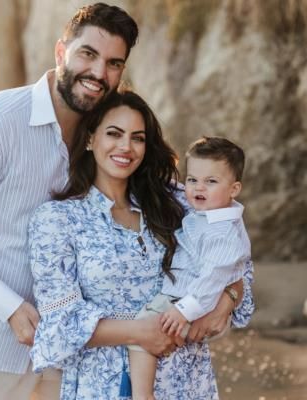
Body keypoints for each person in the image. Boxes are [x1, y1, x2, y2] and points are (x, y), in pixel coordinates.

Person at [0, 3, 140, 400]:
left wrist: (226, 289)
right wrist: (8, 306)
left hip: (69, 352)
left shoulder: (108, 134)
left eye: (113, 63)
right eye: (88, 54)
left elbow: (166, 203)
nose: (99, 73)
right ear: (60, 52)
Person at [28, 92, 254, 399]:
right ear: (91, 138)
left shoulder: (177, 201)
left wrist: (228, 298)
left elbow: (237, 259)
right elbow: (59, 323)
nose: (126, 147)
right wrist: (140, 332)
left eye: (137, 138)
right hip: (105, 384)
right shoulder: (58, 218)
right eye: (113, 134)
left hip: (187, 378)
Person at [128, 136, 251, 400]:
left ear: (234, 188)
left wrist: (186, 310)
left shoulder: (222, 230)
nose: (198, 188)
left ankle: (142, 395)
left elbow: (216, 276)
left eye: (211, 181)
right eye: (193, 180)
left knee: (141, 333)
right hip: (185, 300)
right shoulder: (203, 212)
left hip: (186, 301)